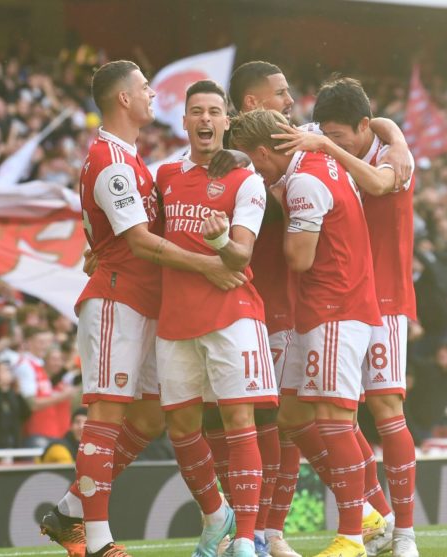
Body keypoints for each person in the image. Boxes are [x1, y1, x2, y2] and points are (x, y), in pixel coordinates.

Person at [41, 60, 248, 557]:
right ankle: (97, 541)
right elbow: (139, 242)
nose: (154, 94)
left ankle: (70, 512)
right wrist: (207, 267)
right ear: (124, 100)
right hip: (117, 299)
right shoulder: (112, 163)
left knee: (151, 417)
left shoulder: (132, 159)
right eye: (145, 87)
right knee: (106, 417)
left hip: (146, 303)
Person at [272, 77, 419, 557]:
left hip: (386, 300)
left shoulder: (393, 157)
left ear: (363, 126)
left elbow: (379, 182)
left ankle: (406, 536)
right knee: (337, 414)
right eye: (327, 136)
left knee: (386, 411)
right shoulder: (334, 139)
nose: (332, 145)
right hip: (343, 299)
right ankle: (373, 521)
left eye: (342, 137)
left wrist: (385, 135)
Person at [229, 108, 381, 557]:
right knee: (293, 417)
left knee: (335, 423)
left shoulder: (303, 182)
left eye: (253, 163)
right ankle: (374, 516)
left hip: (335, 307)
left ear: (262, 151)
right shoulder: (317, 159)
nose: (254, 173)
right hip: (320, 310)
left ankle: (354, 535)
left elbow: (298, 258)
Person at [155, 80, 276, 557]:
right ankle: (215, 517)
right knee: (182, 430)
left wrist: (221, 241)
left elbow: (240, 256)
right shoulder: (161, 176)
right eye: (196, 112)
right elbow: (136, 234)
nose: (205, 119)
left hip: (232, 313)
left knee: (238, 423)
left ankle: (246, 538)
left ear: (228, 121)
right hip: (175, 316)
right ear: (184, 121)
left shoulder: (247, 181)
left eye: (214, 112)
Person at [13, 327, 77, 449]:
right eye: (40, 342)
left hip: (50, 433)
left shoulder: (39, 367)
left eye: (47, 343)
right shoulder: (26, 365)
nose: (45, 347)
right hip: (36, 433)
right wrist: (62, 396)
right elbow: (32, 404)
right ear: (29, 343)